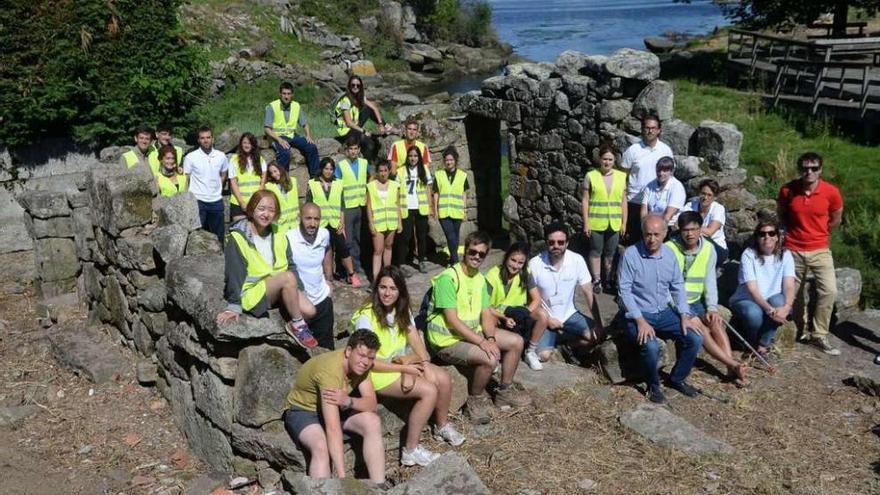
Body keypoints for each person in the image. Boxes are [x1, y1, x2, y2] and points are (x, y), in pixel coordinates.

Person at [351, 265, 465, 466]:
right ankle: (410, 450)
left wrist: (416, 362)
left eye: (393, 289)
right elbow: (366, 362)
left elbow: (417, 345)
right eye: (383, 287)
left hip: (400, 364)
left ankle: (441, 425)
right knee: (429, 391)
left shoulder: (401, 311)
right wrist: (404, 369)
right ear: (376, 289)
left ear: (400, 291)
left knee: (443, 379)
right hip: (376, 372)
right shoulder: (366, 317)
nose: (387, 293)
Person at [426, 231, 531, 424]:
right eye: (472, 252)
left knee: (516, 341)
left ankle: (504, 391)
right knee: (489, 358)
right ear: (464, 251)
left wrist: (490, 338)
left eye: (482, 254)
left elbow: (486, 313)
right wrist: (483, 342)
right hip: (447, 339)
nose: (476, 257)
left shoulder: (479, 279)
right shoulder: (448, 278)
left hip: (470, 333)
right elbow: (452, 321)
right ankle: (475, 399)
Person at [618, 215, 704, 404]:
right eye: (648, 234)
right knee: (650, 346)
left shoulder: (670, 255)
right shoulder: (631, 255)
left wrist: (684, 314)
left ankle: (677, 378)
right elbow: (624, 291)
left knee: (695, 337)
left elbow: (677, 286)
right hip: (639, 312)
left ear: (665, 234)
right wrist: (640, 320)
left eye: (657, 234)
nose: (652, 239)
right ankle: (653, 385)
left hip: (663, 311)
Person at [217, 190, 318, 348]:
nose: (266, 214)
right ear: (252, 209)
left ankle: (292, 319)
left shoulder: (279, 233)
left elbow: (291, 264)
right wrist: (234, 305)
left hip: (278, 286)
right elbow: (233, 273)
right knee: (287, 278)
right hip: (253, 291)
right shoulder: (238, 237)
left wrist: (300, 290)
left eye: (271, 210)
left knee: (310, 311)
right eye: (261, 208)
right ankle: (298, 325)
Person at [282, 330, 385, 484]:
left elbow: (371, 404)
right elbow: (333, 427)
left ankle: (379, 486)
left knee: (372, 421)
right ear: (349, 351)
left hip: (336, 408)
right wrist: (343, 480)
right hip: (304, 411)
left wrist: (349, 401)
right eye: (361, 355)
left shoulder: (362, 367)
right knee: (320, 447)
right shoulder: (329, 372)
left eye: (370, 358)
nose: (365, 362)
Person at [666, 211, 746, 387]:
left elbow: (710, 281)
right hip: (677, 303)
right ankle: (733, 364)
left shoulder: (709, 249)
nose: (690, 234)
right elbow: (664, 287)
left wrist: (712, 307)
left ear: (700, 229)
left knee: (716, 322)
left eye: (694, 229)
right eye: (686, 230)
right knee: (701, 328)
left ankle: (730, 368)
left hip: (697, 300)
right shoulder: (669, 249)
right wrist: (683, 311)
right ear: (680, 230)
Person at [777, 152, 844, 356]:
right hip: (793, 248)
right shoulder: (788, 190)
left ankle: (819, 334)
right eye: (805, 168)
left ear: (820, 170)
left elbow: (836, 219)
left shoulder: (831, 192)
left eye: (814, 168)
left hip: (819, 248)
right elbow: (782, 215)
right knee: (792, 293)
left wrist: (820, 233)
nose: (809, 172)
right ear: (800, 170)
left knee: (829, 290)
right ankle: (799, 329)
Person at [528, 222, 604, 361]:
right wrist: (548, 320)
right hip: (546, 317)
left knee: (598, 336)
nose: (556, 246)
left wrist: (598, 324)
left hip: (569, 313)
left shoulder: (577, 260)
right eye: (551, 242)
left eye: (560, 242)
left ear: (567, 243)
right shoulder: (535, 264)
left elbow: (588, 293)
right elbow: (530, 299)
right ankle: (550, 340)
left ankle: (566, 347)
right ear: (546, 243)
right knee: (543, 356)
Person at [729, 220, 796, 362]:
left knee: (780, 302)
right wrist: (771, 311)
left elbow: (789, 285)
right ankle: (751, 343)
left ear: (777, 236)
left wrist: (786, 307)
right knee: (754, 314)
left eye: (771, 233)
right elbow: (752, 289)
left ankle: (762, 346)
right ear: (757, 237)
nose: (767, 237)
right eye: (762, 234)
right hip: (746, 298)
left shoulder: (786, 255)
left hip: (771, 298)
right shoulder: (749, 254)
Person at [485, 243, 550, 371]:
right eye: (513, 260)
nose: (515, 266)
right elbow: (485, 305)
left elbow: (536, 299)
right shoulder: (492, 275)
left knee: (542, 314)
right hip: (497, 314)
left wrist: (524, 313)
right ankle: (493, 354)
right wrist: (504, 318)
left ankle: (530, 352)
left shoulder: (525, 273)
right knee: (489, 318)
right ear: (506, 258)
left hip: (517, 313)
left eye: (520, 263)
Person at [286, 203, 336, 349]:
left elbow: (327, 250)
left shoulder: (324, 234)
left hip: (322, 301)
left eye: (316, 219)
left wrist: (329, 278)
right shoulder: (288, 238)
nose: (313, 223)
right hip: (301, 305)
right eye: (308, 218)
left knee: (326, 349)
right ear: (299, 218)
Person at [307, 158, 361, 287]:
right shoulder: (312, 184)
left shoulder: (338, 183)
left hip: (335, 222)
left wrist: (342, 222)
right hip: (320, 223)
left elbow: (342, 205)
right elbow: (309, 204)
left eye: (331, 169)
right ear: (321, 169)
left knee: (343, 248)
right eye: (326, 168)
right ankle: (328, 277)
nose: (328, 171)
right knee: (326, 249)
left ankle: (352, 274)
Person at [581, 144, 627, 292]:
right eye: (604, 159)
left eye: (610, 159)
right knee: (596, 251)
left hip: (614, 222)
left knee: (611, 252)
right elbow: (585, 200)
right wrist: (586, 223)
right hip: (596, 222)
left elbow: (623, 201)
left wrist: (624, 222)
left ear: (614, 161)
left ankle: (608, 279)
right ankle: (596, 280)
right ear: (599, 160)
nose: (607, 162)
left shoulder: (621, 176)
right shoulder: (591, 176)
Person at [620, 114, 673, 243]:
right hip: (635, 202)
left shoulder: (666, 150)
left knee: (655, 242)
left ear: (659, 130)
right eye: (647, 127)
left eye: (653, 128)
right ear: (642, 129)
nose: (650, 131)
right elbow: (623, 177)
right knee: (634, 241)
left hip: (657, 204)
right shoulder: (633, 150)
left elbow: (670, 177)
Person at [183, 125, 229, 244]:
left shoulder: (221, 156)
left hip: (216, 201)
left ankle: (220, 261)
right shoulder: (190, 157)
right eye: (202, 138)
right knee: (199, 238)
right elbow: (186, 179)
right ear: (198, 140)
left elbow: (224, 174)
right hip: (198, 201)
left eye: (208, 137)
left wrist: (218, 187)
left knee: (219, 238)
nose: (206, 140)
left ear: (213, 139)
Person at [264, 81, 320, 176]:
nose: (286, 96)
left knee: (312, 147)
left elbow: (305, 123)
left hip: (292, 135)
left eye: (289, 94)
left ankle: (315, 177)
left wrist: (308, 135)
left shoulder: (296, 106)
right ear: (280, 94)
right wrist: (279, 140)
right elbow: (267, 129)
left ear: (292, 95)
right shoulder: (272, 106)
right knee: (285, 153)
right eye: (284, 94)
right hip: (276, 137)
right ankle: (282, 179)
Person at [395, 146, 434, 273]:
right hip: (406, 207)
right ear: (407, 157)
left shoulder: (424, 169)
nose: (413, 158)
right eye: (411, 156)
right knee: (405, 237)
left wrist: (430, 206)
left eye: (415, 156)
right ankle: (402, 263)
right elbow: (396, 190)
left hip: (420, 207)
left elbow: (428, 189)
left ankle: (422, 260)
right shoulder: (401, 171)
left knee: (422, 236)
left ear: (419, 157)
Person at [333, 75, 390, 162]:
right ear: (349, 86)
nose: (355, 87)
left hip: (354, 125)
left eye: (358, 85)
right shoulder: (345, 101)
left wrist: (381, 124)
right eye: (353, 85)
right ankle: (369, 164)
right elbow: (348, 123)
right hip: (346, 130)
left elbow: (374, 108)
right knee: (369, 143)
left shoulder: (359, 97)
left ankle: (386, 127)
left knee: (368, 108)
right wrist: (364, 131)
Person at [336, 136, 370, 276]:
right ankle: (345, 268)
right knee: (347, 240)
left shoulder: (364, 163)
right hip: (347, 207)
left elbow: (371, 177)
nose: (354, 152)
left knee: (357, 238)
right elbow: (337, 187)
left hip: (360, 205)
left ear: (359, 150)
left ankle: (356, 265)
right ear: (347, 151)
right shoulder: (341, 165)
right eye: (351, 149)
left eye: (356, 149)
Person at [365, 160, 402, 282]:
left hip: (391, 222)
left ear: (389, 171)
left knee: (388, 246)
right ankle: (376, 279)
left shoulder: (395, 185)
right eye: (380, 171)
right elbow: (369, 206)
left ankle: (387, 275)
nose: (383, 173)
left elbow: (397, 204)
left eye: (385, 170)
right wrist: (371, 223)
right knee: (378, 250)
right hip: (378, 222)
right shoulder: (371, 186)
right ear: (377, 172)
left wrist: (399, 222)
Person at [433, 146, 469, 265]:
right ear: (444, 161)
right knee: (451, 236)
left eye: (451, 160)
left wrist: (465, 211)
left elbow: (464, 194)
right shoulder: (438, 175)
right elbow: (436, 194)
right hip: (444, 212)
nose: (449, 162)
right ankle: (456, 262)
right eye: (447, 160)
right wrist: (435, 210)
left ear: (455, 160)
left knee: (455, 237)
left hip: (457, 211)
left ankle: (453, 260)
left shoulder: (462, 175)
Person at [681, 178, 728, 264]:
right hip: (694, 243)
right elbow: (679, 224)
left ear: (714, 197)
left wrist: (690, 227)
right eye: (703, 193)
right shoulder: (690, 206)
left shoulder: (718, 209)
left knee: (703, 239)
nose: (705, 198)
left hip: (716, 247)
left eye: (709, 195)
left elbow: (709, 232)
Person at [228, 132, 268, 222]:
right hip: (239, 203)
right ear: (241, 144)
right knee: (240, 232)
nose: (247, 145)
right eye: (244, 143)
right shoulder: (234, 160)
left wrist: (258, 198)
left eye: (249, 143)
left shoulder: (260, 159)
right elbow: (233, 182)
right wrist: (242, 202)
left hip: (256, 203)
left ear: (253, 145)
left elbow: (263, 178)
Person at [640, 156, 686, 228]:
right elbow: (644, 210)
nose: (661, 173)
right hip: (651, 225)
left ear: (671, 171)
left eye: (665, 171)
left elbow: (668, 215)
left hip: (669, 227)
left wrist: (658, 229)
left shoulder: (677, 187)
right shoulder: (649, 186)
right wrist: (644, 226)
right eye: (659, 170)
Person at [265, 162, 300, 233]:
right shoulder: (269, 186)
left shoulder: (293, 181)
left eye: (275, 171)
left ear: (280, 169)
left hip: (295, 224)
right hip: (280, 225)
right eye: (271, 173)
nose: (274, 175)